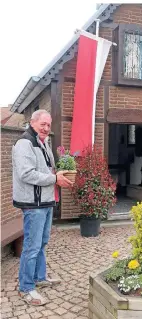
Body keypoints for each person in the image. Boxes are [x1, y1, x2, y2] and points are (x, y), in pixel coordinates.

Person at [12, 109, 73, 305]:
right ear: (33, 123)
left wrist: (58, 173)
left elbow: (45, 170)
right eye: (43, 124)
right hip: (33, 204)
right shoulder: (25, 143)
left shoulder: (43, 142)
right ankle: (26, 287)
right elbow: (26, 174)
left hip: (45, 201)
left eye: (48, 125)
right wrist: (54, 178)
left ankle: (39, 277)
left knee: (42, 242)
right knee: (31, 246)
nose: (46, 128)